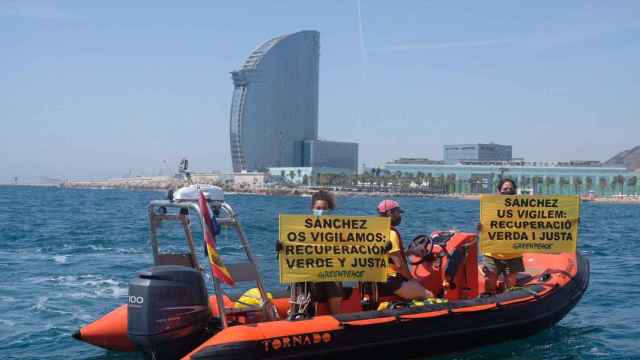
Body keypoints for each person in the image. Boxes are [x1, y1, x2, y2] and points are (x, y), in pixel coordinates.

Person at [377, 199, 433, 300]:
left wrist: (411, 252)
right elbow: (400, 265)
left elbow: (389, 256)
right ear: (390, 213)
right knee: (429, 296)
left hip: (378, 278)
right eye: (398, 213)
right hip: (391, 280)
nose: (400, 216)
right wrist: (412, 280)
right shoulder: (391, 234)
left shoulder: (377, 231)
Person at [481, 178, 525, 293]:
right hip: (493, 254)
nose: (508, 191)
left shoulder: (523, 207)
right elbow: (484, 225)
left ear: (515, 191)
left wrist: (570, 221)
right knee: (489, 285)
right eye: (505, 189)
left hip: (513, 254)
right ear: (499, 191)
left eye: (510, 189)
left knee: (510, 287)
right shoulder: (490, 207)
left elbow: (543, 221)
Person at [307, 190, 343, 314]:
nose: (321, 211)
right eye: (318, 208)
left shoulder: (337, 229)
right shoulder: (301, 228)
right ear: (312, 208)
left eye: (324, 209)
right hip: (310, 272)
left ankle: (337, 319)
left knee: (336, 285)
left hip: (330, 271)